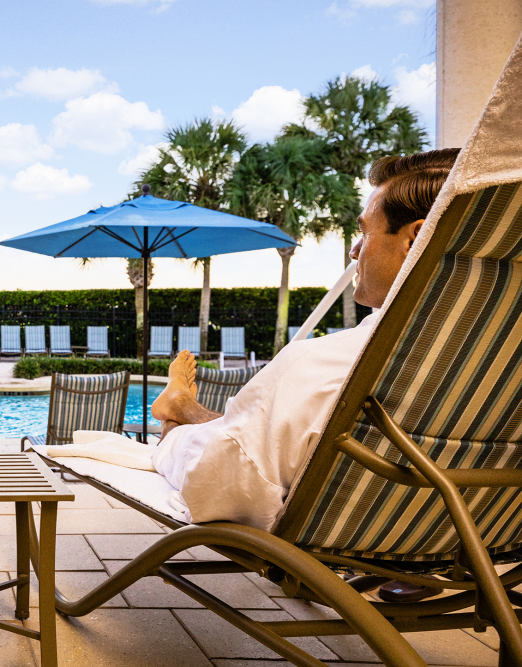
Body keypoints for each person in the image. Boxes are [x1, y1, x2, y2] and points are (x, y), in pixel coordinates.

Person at [149, 148, 461, 537]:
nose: (354, 250)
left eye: (364, 232)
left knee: (214, 438)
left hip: (347, 533)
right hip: (460, 535)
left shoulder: (322, 363)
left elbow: (223, 485)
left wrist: (172, 437)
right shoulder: (493, 358)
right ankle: (185, 406)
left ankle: (179, 411)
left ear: (415, 240)